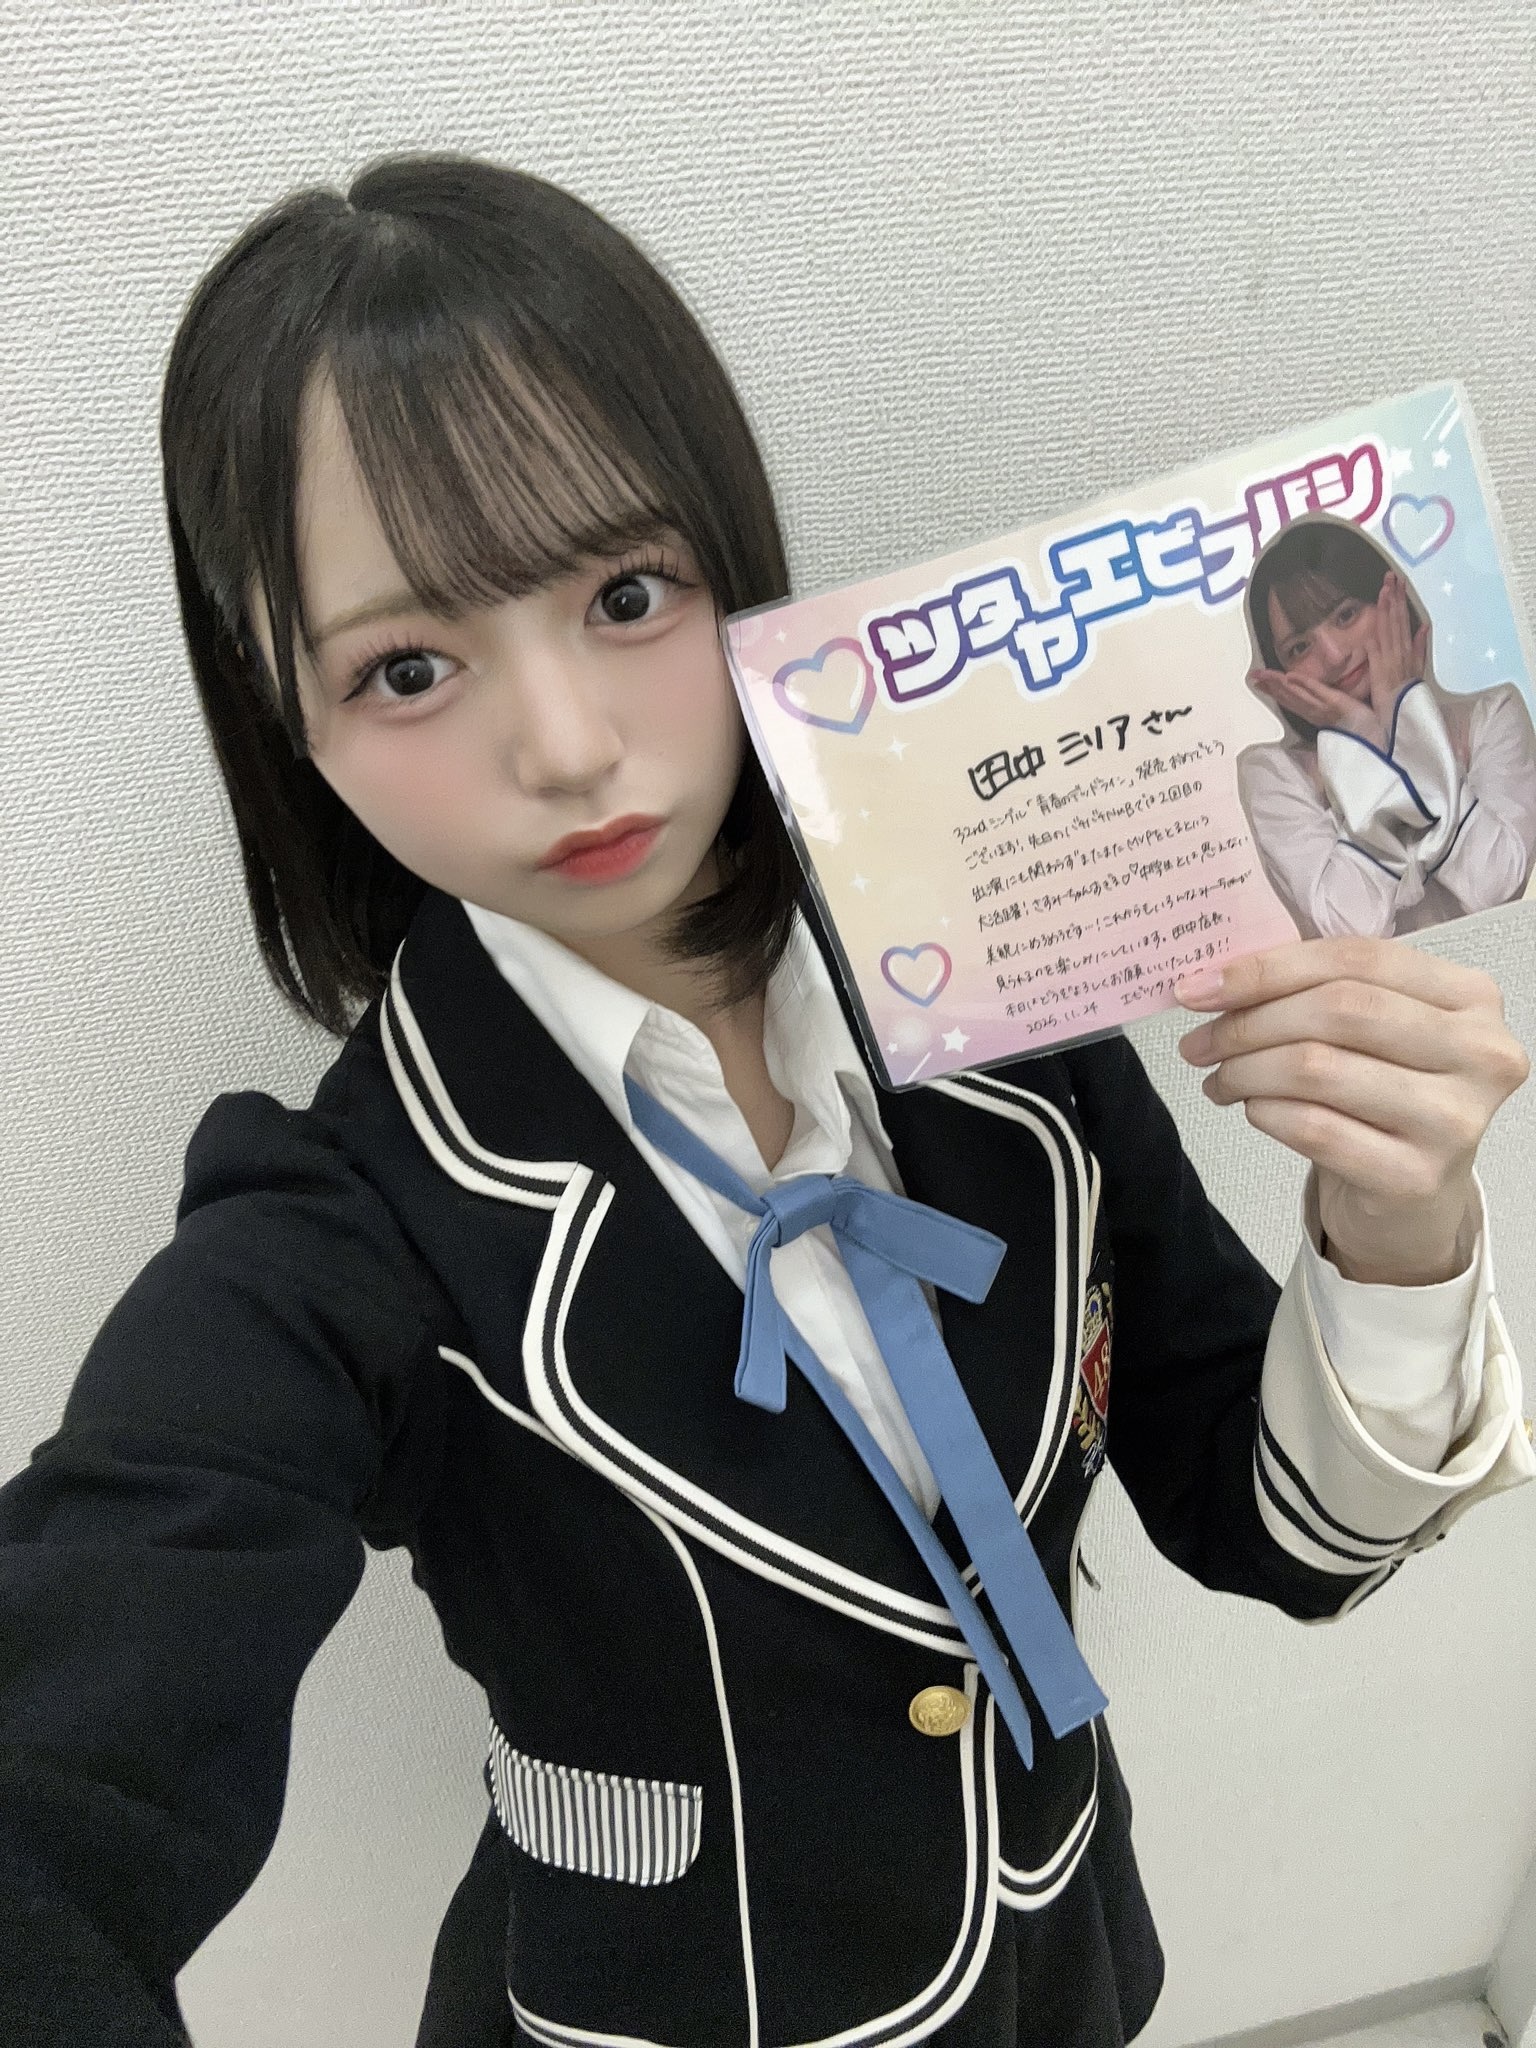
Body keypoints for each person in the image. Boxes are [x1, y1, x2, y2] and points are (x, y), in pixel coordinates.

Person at [1, 152, 1532, 2048]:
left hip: (1060, 1967)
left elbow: (1273, 1527)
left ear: (735, 565)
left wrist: (1396, 1232)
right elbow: (70, 1741)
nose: (568, 745)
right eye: (407, 666)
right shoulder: (339, 1230)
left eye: (627, 591)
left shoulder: (991, 996)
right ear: (282, 718)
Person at [1238, 511, 1536, 940]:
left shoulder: (1491, 719)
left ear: (1390, 600)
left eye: (1345, 615)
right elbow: (1353, 928)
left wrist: (1406, 721)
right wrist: (1365, 739)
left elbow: (1496, 886)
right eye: (1300, 647)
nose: (1334, 655)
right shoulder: (1277, 776)